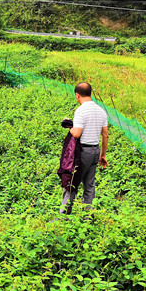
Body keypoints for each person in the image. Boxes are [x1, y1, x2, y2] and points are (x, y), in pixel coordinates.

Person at [60, 82, 108, 214]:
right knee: (89, 186)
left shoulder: (81, 110)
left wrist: (68, 125)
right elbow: (105, 134)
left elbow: (76, 133)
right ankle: (88, 217)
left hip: (82, 153)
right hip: (95, 151)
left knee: (71, 183)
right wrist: (102, 155)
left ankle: (63, 218)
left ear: (77, 95)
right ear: (90, 94)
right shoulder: (101, 110)